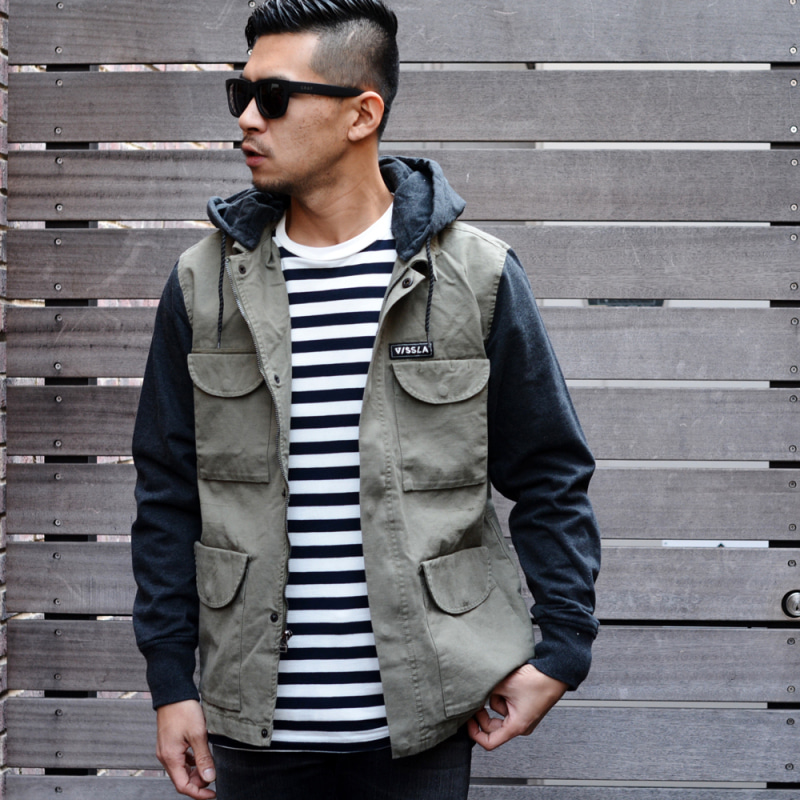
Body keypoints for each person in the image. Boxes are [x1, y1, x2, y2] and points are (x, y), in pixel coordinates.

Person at [130, 1, 600, 798]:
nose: (247, 118)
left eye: (273, 97)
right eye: (239, 93)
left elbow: (550, 473)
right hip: (250, 724)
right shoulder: (203, 285)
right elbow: (168, 492)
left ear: (362, 113)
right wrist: (171, 681)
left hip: (424, 719)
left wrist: (563, 651)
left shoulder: (476, 277)